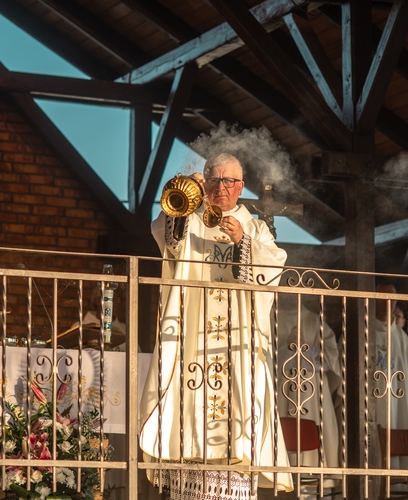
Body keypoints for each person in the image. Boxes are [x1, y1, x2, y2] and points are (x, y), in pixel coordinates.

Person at [139, 153, 293, 499]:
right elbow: (170, 243)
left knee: (239, 407)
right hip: (194, 337)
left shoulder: (254, 228)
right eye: (214, 180)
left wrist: (244, 243)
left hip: (238, 344)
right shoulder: (192, 219)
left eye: (228, 181)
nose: (221, 187)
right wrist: (185, 197)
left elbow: (273, 271)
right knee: (187, 402)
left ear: (240, 187)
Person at [274, 294, 342, 476]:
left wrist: (306, 349)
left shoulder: (314, 320)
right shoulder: (271, 316)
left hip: (314, 393)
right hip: (281, 390)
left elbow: (332, 357)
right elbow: (261, 353)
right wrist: (286, 350)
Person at [372, 284, 408, 470]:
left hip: (398, 405)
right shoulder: (362, 332)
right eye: (384, 297)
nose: (389, 303)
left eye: (393, 299)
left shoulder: (402, 339)